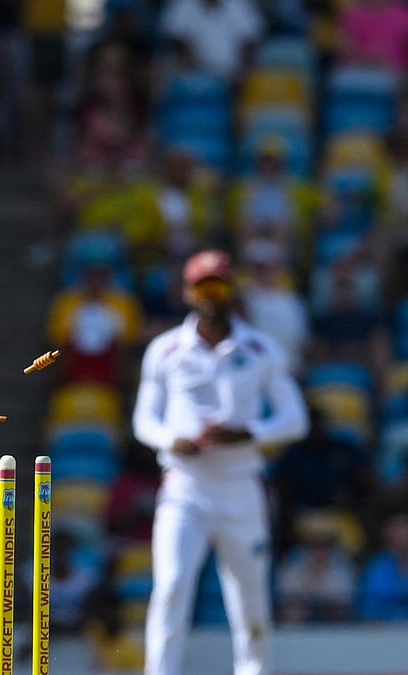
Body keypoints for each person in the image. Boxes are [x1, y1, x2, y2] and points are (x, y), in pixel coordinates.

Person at [132, 249, 309, 675]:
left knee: (250, 598)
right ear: (188, 292)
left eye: (218, 286)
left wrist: (249, 433)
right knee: (171, 586)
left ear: (231, 290)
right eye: (202, 287)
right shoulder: (166, 349)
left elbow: (294, 419)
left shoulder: (260, 349)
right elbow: (144, 420)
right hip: (184, 488)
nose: (210, 296)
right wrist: (174, 442)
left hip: (241, 488)